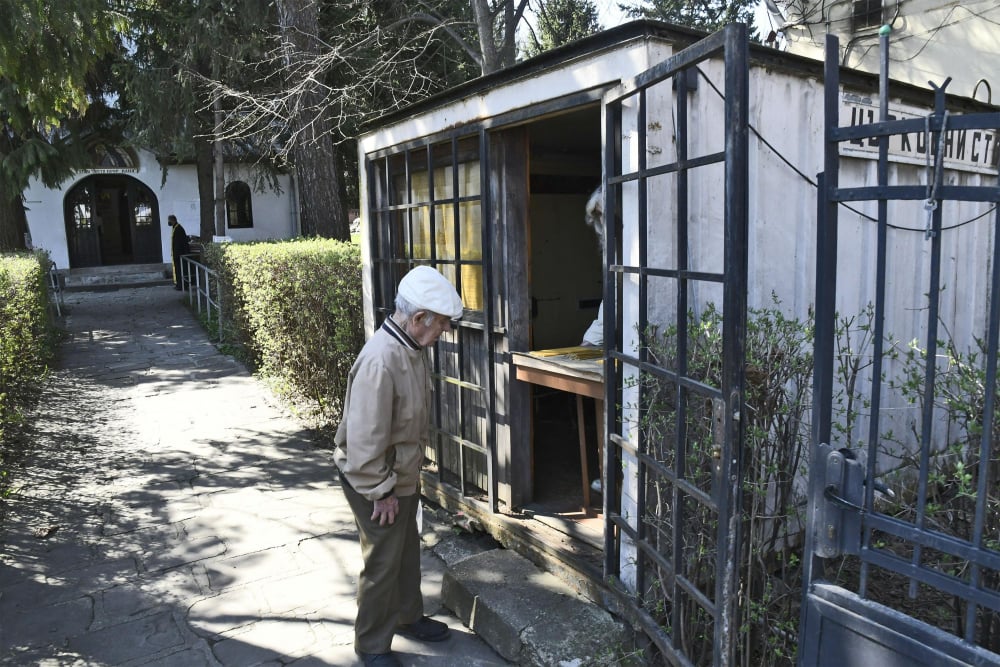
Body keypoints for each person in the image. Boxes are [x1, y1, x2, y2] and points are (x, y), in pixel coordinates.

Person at [333, 265, 463, 667]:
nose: (443, 331)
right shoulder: (381, 359)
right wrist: (382, 491)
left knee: (406, 550)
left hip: (398, 473)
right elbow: (364, 441)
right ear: (419, 317)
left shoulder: (409, 346)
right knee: (383, 561)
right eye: (441, 323)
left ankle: (408, 617)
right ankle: (371, 644)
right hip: (374, 478)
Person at [166, 215, 191, 291]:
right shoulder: (175, 227)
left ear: (173, 220)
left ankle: (181, 285)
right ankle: (179, 284)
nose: (168, 222)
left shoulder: (178, 228)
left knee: (180, 270)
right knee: (178, 270)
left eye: (169, 220)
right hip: (176, 254)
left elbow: (179, 243)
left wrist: (177, 254)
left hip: (179, 254)